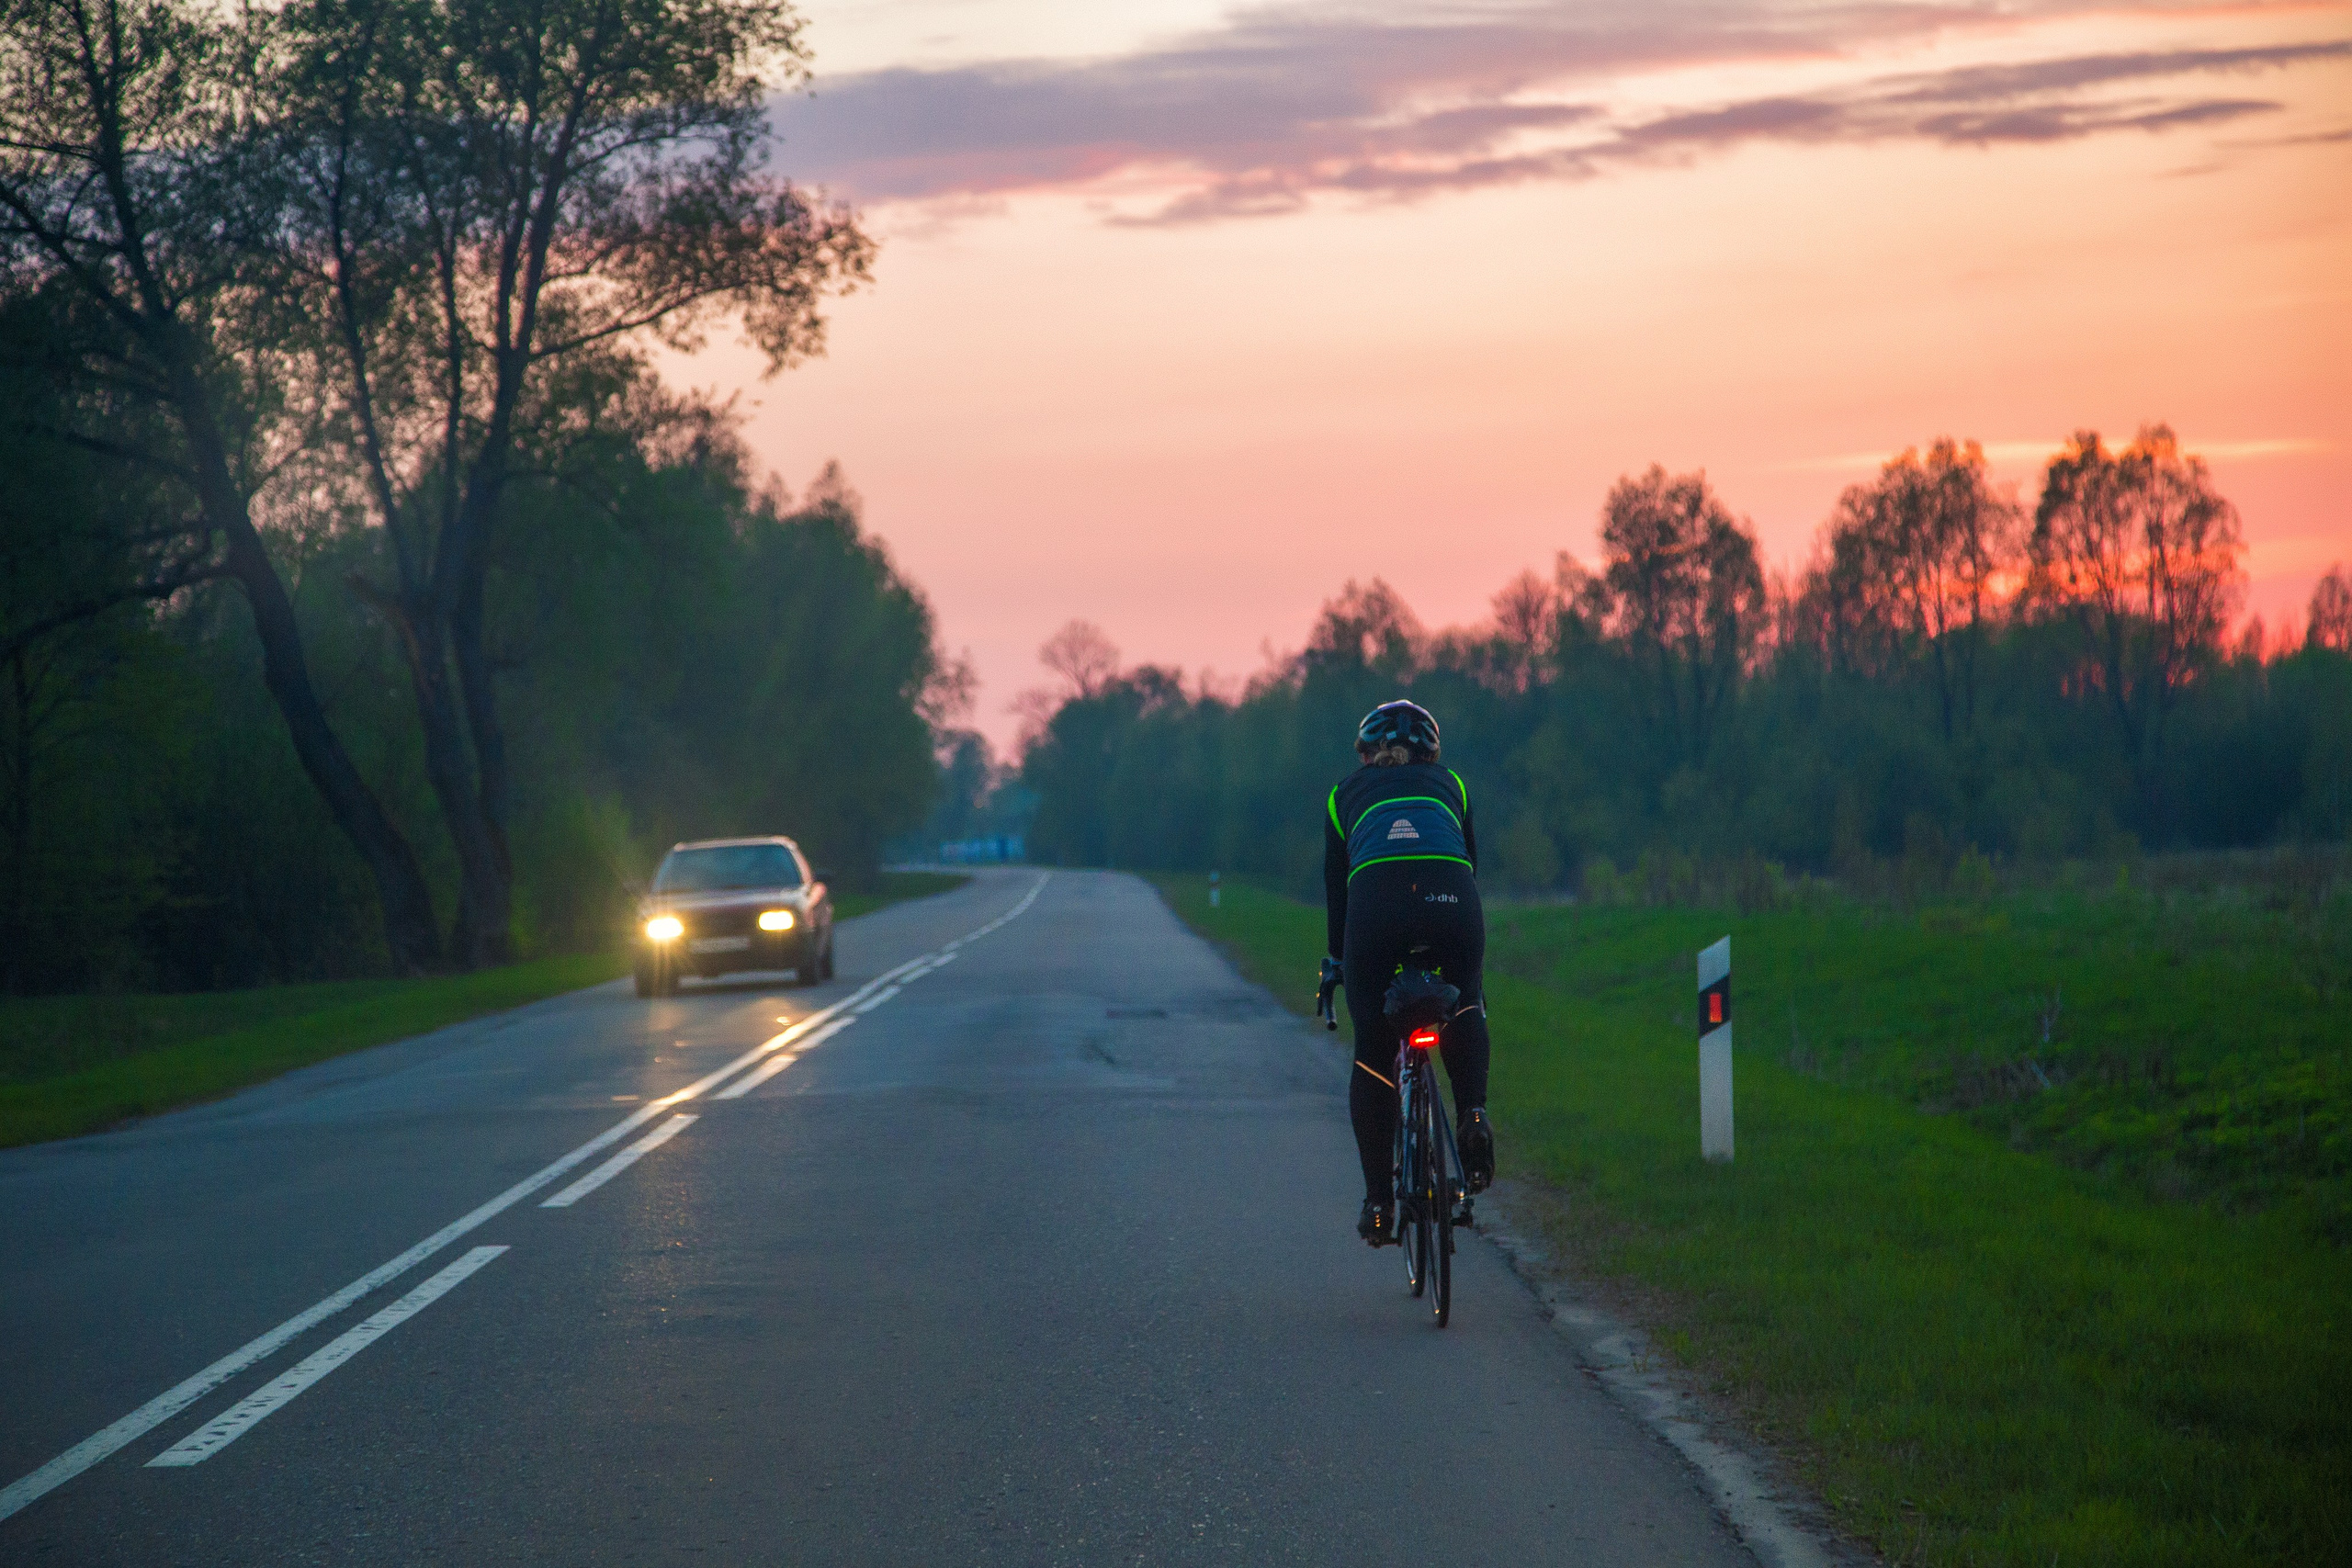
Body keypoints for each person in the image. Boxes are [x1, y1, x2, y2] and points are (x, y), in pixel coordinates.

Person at [1321, 699, 1495, 1247]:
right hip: (1451, 900)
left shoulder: (1343, 795)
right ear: (1432, 752)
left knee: (1373, 1050)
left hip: (1374, 909)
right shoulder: (1454, 786)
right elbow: (1468, 863)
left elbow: (1336, 890)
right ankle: (1472, 1114)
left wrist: (1338, 963)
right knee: (1465, 1000)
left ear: (1366, 753)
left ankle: (1378, 1201)